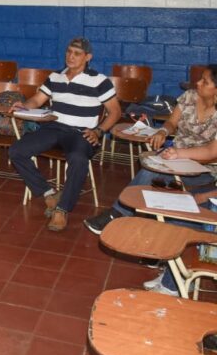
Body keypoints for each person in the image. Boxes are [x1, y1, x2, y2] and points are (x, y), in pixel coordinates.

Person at [84, 64, 217, 236]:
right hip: (174, 158)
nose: (198, 83)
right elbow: (171, 122)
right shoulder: (190, 96)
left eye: (205, 81)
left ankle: (118, 213)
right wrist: (163, 131)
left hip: (203, 170)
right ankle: (121, 213)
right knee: (150, 168)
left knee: (150, 173)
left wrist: (179, 154)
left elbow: (211, 152)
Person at [9, 37, 121, 232]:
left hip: (81, 132)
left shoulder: (99, 80)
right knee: (17, 151)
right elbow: (37, 100)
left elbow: (115, 112)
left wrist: (99, 131)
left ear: (88, 57)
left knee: (78, 159)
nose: (71, 56)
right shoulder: (55, 77)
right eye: (69, 52)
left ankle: (62, 209)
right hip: (54, 127)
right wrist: (23, 106)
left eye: (77, 53)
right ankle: (49, 194)